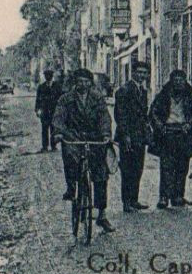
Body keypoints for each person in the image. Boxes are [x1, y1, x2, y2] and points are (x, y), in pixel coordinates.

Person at [55, 68, 114, 234]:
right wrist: (59, 132)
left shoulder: (97, 98)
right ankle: (71, 187)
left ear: (90, 82)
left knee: (101, 174)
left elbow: (104, 117)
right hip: (73, 136)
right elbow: (59, 117)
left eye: (86, 81)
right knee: (70, 156)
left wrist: (105, 134)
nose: (83, 84)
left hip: (94, 137)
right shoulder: (65, 99)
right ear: (75, 82)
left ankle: (102, 214)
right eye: (80, 81)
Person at [149, 69, 192, 209]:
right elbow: (153, 113)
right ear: (171, 82)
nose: (178, 83)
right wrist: (160, 126)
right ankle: (164, 197)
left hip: (184, 134)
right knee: (166, 166)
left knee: (182, 166)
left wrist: (189, 125)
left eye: (181, 80)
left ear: (185, 82)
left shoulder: (190, 98)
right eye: (176, 80)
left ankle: (178, 195)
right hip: (168, 133)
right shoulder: (163, 97)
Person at [113, 61, 153, 212]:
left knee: (138, 167)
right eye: (139, 72)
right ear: (133, 73)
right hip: (128, 135)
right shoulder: (124, 90)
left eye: (144, 73)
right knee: (127, 168)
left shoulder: (142, 91)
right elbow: (120, 115)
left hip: (140, 135)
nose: (142, 75)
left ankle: (134, 199)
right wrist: (125, 135)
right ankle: (126, 201)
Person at [34, 69, 62, 152]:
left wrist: (60, 111)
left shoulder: (57, 86)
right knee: (44, 129)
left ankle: (54, 146)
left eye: (49, 76)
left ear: (52, 76)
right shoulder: (41, 87)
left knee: (53, 129)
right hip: (45, 112)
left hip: (54, 111)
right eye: (46, 76)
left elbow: (61, 99)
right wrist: (37, 110)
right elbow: (38, 100)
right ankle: (45, 147)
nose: (47, 77)